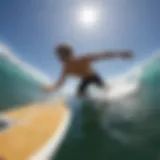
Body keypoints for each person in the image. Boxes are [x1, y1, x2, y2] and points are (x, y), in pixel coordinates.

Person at [43, 43, 133, 97]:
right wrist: (51, 89)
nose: (59, 57)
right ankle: (89, 97)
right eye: (58, 55)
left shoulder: (83, 59)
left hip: (93, 76)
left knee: (106, 90)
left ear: (69, 54)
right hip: (85, 79)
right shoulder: (65, 69)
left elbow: (104, 55)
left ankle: (112, 89)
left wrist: (122, 54)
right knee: (79, 94)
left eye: (60, 54)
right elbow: (60, 84)